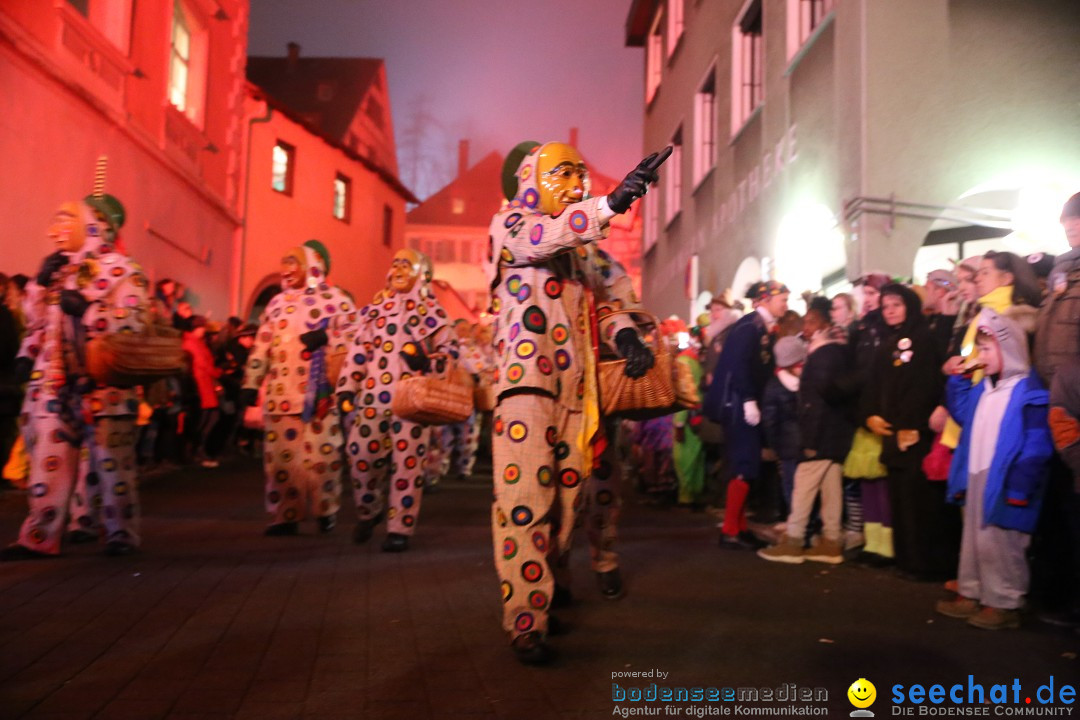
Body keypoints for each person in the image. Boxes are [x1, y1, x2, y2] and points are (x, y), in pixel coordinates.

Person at [487, 140, 657, 664]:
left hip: (578, 395)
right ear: (531, 179)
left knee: (566, 505)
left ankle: (543, 587)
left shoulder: (585, 253)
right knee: (525, 504)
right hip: (526, 386)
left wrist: (626, 335)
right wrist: (609, 205)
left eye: (579, 175)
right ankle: (525, 622)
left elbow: (608, 302)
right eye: (562, 174)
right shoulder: (511, 224)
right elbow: (541, 239)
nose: (576, 184)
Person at [2, 196, 148, 559]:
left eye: (67, 220)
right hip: (54, 387)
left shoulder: (125, 270)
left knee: (112, 467)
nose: (57, 230)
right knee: (47, 465)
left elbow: (134, 325)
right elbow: (39, 325)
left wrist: (88, 312)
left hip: (104, 388)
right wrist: (38, 286)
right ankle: (39, 536)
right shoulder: (60, 272)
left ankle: (120, 534)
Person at [936, 309, 1053, 629]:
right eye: (979, 349)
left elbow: (1036, 446)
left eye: (987, 349)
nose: (981, 356)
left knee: (1002, 543)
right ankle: (973, 591)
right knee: (974, 540)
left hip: (1006, 482)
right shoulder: (983, 389)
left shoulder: (1029, 394)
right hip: (976, 474)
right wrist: (958, 381)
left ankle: (1004, 601)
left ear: (1010, 349)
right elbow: (962, 415)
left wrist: (1020, 486)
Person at [337, 248, 456, 552]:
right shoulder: (375, 307)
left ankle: (399, 527)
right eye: (396, 263)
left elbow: (451, 352)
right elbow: (358, 351)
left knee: (407, 464)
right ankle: (369, 510)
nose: (399, 268)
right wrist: (347, 388)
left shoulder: (431, 309)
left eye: (407, 264)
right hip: (373, 398)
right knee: (360, 454)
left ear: (418, 273)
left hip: (413, 400)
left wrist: (426, 360)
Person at [241, 240, 355, 537]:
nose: (287, 269)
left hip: (319, 397)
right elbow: (262, 344)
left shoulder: (338, 300)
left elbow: (357, 339)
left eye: (294, 262)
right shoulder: (277, 303)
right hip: (280, 398)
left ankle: (325, 510)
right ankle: (284, 515)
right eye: (285, 262)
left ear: (313, 265)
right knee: (281, 461)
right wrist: (251, 382)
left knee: (323, 459)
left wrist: (328, 336)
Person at [863, 284, 955, 581]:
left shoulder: (923, 339)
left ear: (910, 307)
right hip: (892, 431)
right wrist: (870, 414)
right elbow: (875, 385)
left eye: (896, 304)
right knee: (899, 495)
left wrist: (912, 425)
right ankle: (907, 559)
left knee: (921, 499)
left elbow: (926, 385)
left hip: (916, 432)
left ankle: (927, 563)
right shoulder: (887, 343)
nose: (889, 310)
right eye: (885, 305)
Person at [759, 297, 854, 564]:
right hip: (835, 433)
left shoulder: (823, 353)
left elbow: (816, 401)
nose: (807, 326)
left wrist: (810, 439)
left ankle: (793, 541)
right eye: (806, 321)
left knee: (802, 485)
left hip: (821, 434)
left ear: (825, 321)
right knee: (830, 486)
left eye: (812, 320)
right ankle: (831, 541)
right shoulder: (836, 350)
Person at [704, 280, 789, 550]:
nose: (785, 304)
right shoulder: (749, 327)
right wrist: (749, 400)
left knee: (746, 465)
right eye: (782, 299)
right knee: (744, 465)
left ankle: (737, 527)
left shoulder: (758, 327)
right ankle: (730, 530)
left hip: (742, 404)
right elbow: (739, 365)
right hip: (738, 405)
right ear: (765, 300)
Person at [761, 335, 806, 519]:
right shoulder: (807, 383)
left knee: (791, 486)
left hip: (786, 446)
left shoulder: (773, 386)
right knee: (802, 488)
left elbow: (770, 420)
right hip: (803, 445)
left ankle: (796, 522)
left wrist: (773, 444)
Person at [183, 316, 222, 468]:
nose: (204, 330)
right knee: (204, 419)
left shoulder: (196, 342)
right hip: (201, 384)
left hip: (205, 384)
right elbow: (203, 364)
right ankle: (196, 452)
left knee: (208, 418)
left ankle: (198, 451)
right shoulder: (192, 343)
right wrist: (218, 372)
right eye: (202, 327)